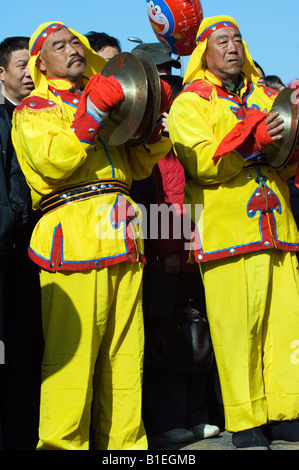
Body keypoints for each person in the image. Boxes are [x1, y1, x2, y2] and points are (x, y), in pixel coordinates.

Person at [11, 21, 172, 450]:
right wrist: (94, 111)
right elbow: (54, 162)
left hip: (122, 235)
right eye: (58, 46)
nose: (72, 50)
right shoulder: (33, 111)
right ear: (41, 64)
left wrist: (152, 119)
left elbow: (137, 168)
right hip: (73, 234)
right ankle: (62, 446)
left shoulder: (106, 102)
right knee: (71, 357)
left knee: (125, 354)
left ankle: (126, 448)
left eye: (75, 43)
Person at [168, 15, 299, 450]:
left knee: (284, 328)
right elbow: (201, 161)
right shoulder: (190, 102)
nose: (232, 47)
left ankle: (284, 413)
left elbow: (289, 160)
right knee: (235, 331)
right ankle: (245, 421)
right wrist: (253, 137)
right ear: (204, 52)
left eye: (238, 39)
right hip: (228, 232)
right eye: (221, 40)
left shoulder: (265, 93)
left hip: (278, 226)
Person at [0, 36, 43, 450]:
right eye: (21, 65)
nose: (30, 73)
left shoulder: (46, 114)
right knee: (13, 350)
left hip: (41, 248)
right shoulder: (3, 119)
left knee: (34, 345)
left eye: (34, 64)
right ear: (2, 73)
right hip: (10, 248)